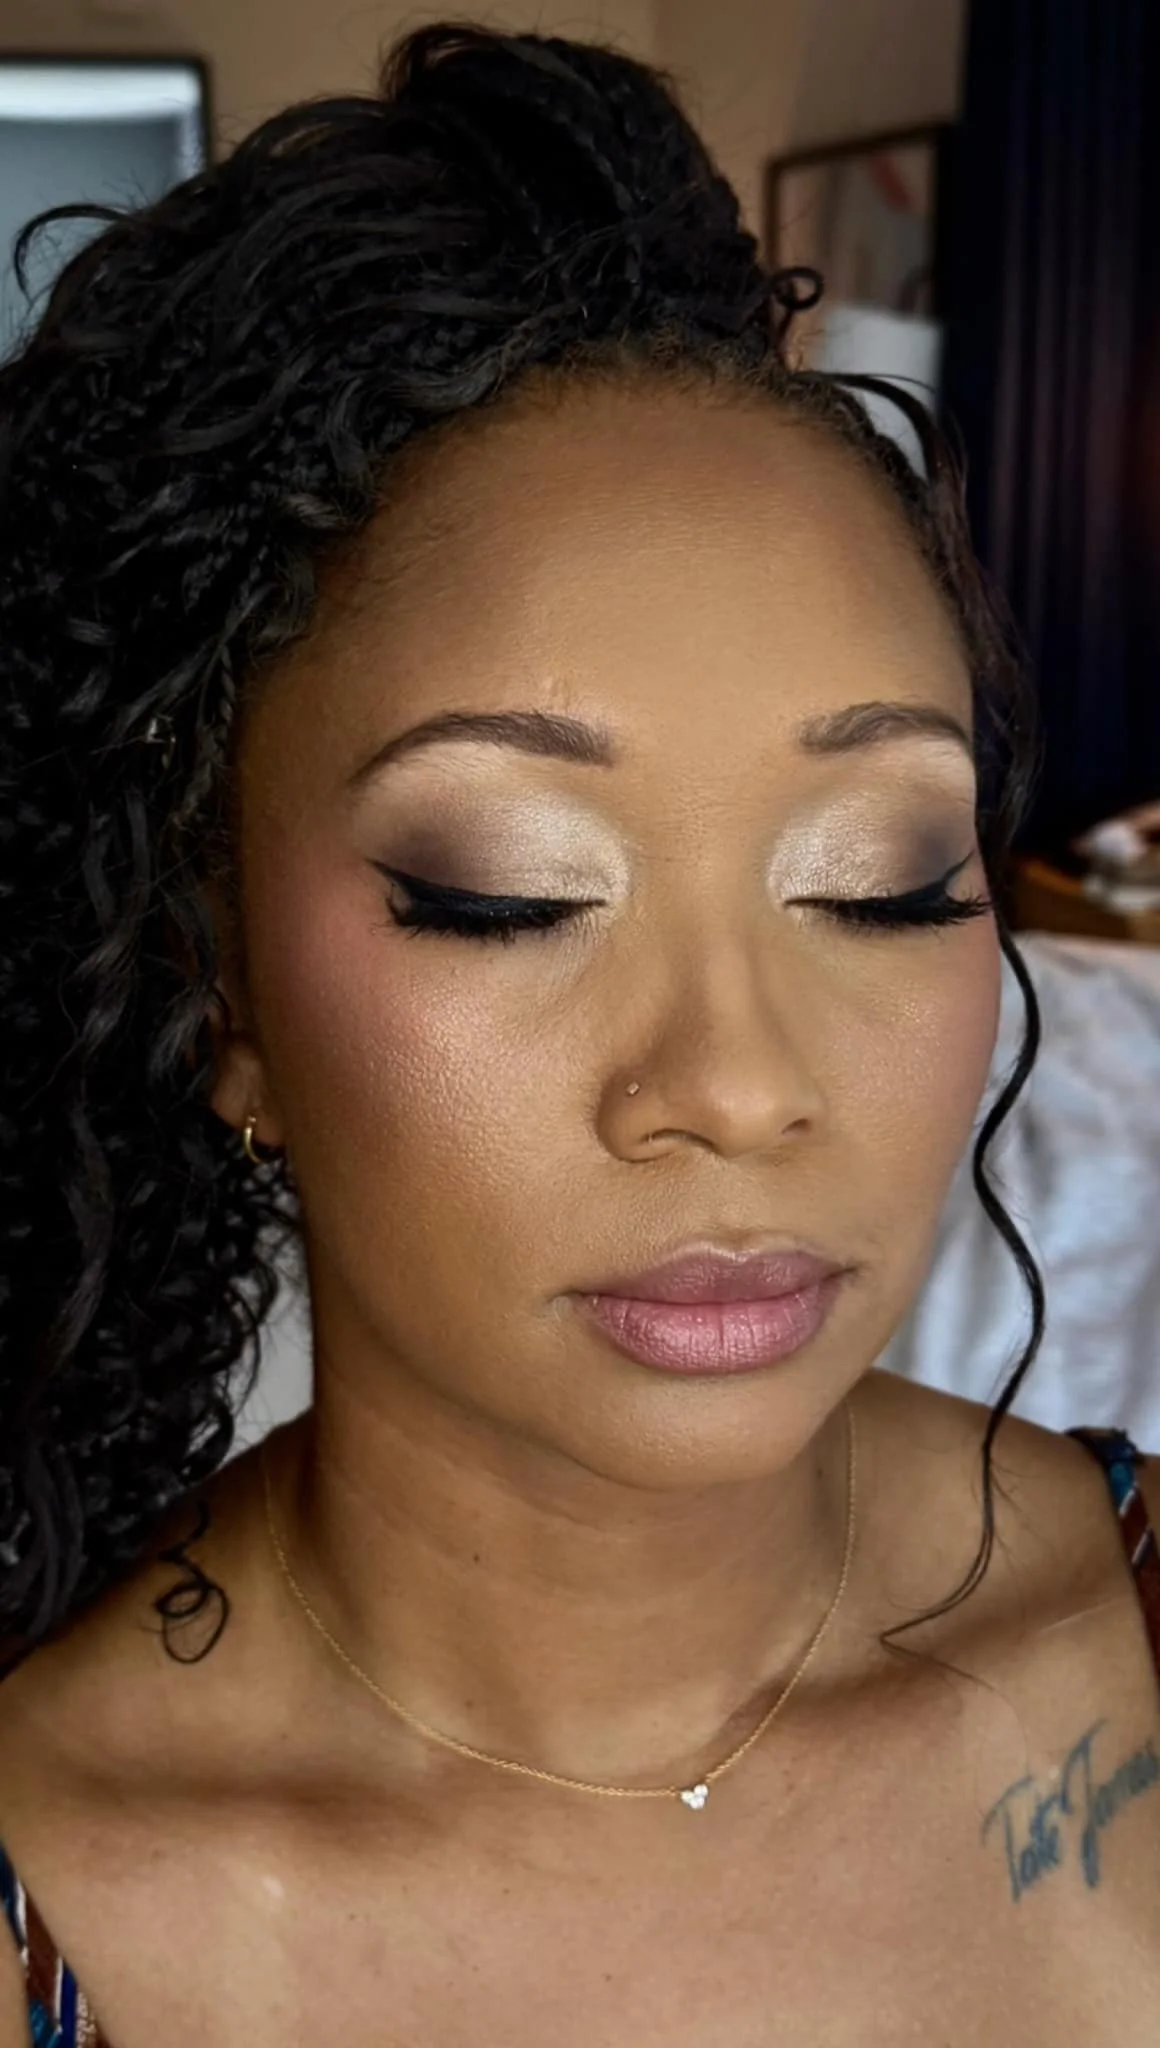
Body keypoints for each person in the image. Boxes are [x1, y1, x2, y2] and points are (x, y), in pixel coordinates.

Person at [0, 24, 1157, 2045]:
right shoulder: (60, 1886)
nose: (730, 1080)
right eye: (509, 890)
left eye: (880, 874)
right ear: (218, 985)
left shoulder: (1136, 1633)